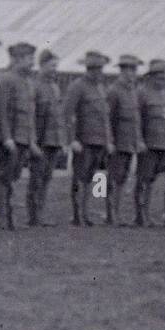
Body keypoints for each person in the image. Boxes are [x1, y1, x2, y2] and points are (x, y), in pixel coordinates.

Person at [0, 41, 42, 230]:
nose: (32, 62)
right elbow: (2, 111)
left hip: (23, 138)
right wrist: (6, 137)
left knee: (14, 177)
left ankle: (10, 216)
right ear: (17, 59)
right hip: (11, 139)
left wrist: (31, 141)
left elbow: (29, 114)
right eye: (29, 58)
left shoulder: (28, 82)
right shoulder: (6, 79)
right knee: (4, 178)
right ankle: (3, 217)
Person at [64, 50, 113, 227]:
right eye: (94, 68)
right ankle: (77, 214)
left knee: (91, 178)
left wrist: (108, 140)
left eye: (100, 68)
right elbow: (67, 114)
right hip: (83, 141)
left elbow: (105, 116)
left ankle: (86, 212)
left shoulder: (101, 88)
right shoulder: (77, 86)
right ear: (87, 69)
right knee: (80, 177)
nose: (98, 72)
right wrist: (71, 139)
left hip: (99, 141)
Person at [135, 59, 165, 226]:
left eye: (164, 77)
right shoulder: (142, 93)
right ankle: (141, 215)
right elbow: (137, 121)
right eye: (159, 77)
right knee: (144, 179)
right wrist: (139, 140)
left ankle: (148, 212)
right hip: (148, 144)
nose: (162, 80)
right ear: (151, 77)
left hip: (163, 143)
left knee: (153, 180)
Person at [105, 54, 145, 225]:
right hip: (117, 143)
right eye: (128, 70)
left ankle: (116, 212)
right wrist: (110, 141)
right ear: (122, 71)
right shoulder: (114, 91)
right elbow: (108, 118)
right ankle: (110, 213)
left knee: (122, 178)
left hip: (129, 143)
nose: (131, 74)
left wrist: (138, 140)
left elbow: (136, 119)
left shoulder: (133, 92)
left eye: (133, 70)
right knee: (112, 178)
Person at [28, 49, 66, 226]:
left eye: (56, 66)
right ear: (41, 66)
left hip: (53, 141)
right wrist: (32, 141)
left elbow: (59, 116)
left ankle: (40, 213)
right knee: (36, 179)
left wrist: (62, 140)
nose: (54, 69)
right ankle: (34, 216)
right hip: (41, 141)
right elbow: (31, 117)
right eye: (51, 66)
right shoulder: (35, 87)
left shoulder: (55, 87)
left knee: (47, 178)